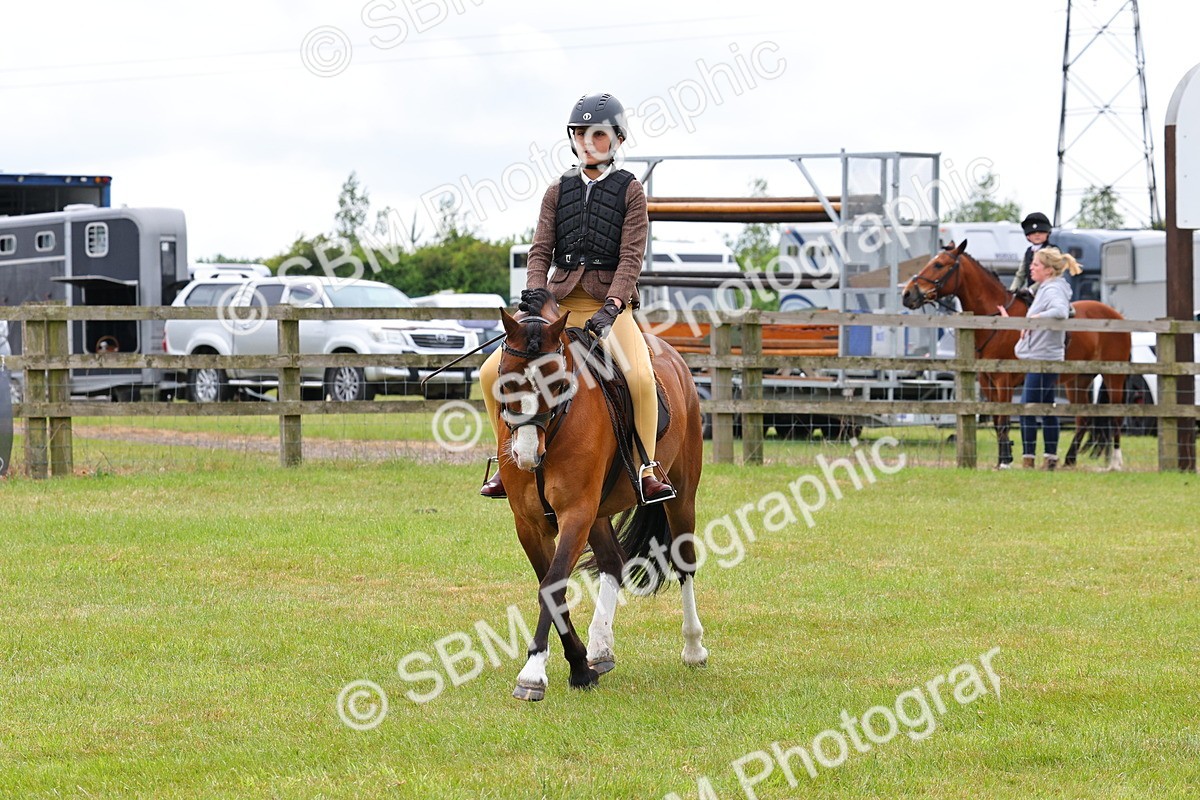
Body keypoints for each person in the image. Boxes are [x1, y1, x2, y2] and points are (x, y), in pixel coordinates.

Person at [477, 92, 675, 504]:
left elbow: (630, 257)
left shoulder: (630, 192)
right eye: (580, 132)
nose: (587, 140)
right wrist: (535, 293)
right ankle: (505, 459)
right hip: (559, 306)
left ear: (617, 140)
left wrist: (614, 306)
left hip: (608, 308)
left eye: (597, 134)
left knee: (639, 377)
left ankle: (646, 469)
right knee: (490, 371)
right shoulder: (558, 189)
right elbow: (539, 251)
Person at [1000, 246, 1077, 469]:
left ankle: (1029, 459)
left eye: (1035, 265)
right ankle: (1050, 458)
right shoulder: (1047, 287)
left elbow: (1061, 312)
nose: (1031, 268)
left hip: (1044, 357)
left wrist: (1035, 317)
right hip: (1042, 354)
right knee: (1046, 407)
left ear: (1048, 270)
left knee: (1027, 408)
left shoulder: (1052, 289)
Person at [1009, 211, 1054, 293]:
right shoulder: (1028, 251)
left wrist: (1030, 290)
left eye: (1041, 232)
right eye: (1033, 233)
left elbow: (1050, 275)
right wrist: (1011, 291)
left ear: (1047, 233)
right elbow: (1020, 275)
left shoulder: (1052, 250)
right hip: (1031, 294)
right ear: (1028, 236)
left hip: (1048, 292)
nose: (1037, 234)